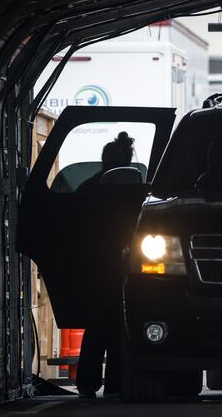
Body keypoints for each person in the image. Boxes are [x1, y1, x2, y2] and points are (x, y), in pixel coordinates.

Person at [74, 131, 134, 398]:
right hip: (127, 270)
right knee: (121, 329)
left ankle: (87, 384)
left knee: (96, 329)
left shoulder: (87, 189)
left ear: (104, 160)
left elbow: (73, 233)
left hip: (94, 269)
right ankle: (116, 384)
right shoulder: (137, 192)